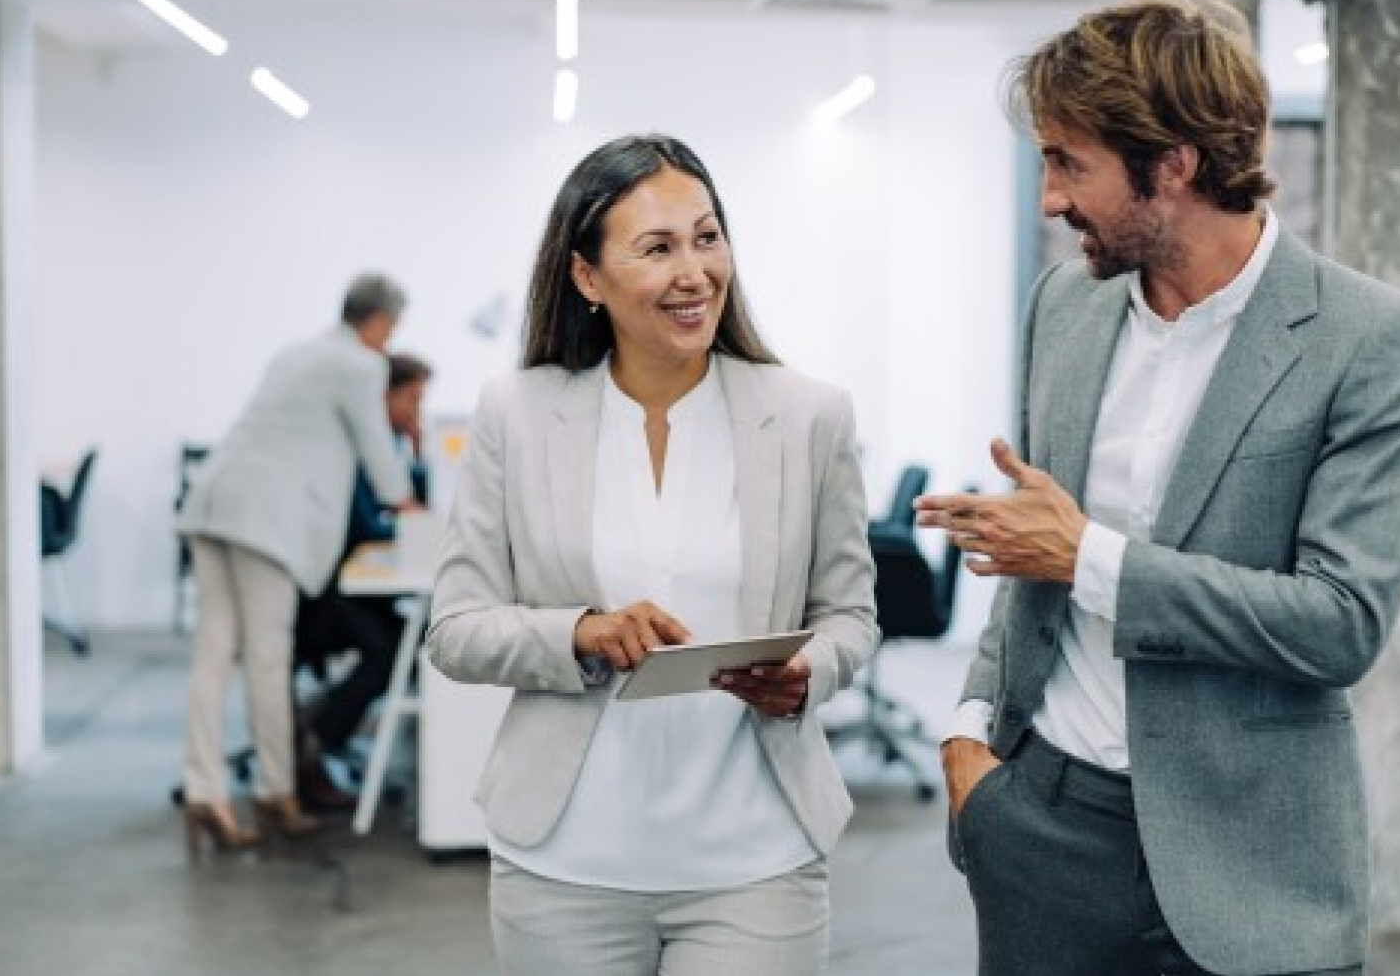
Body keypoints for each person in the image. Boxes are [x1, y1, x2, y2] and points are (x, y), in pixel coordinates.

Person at [918, 0, 1400, 976]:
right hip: (1046, 831)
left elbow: (1340, 622)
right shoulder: (1065, 306)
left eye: (1069, 162)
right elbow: (1029, 547)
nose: (1048, 198)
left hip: (1258, 866)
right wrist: (965, 739)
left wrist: (1091, 559)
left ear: (1173, 165)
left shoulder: (1368, 340)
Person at [426, 134, 877, 976]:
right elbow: (455, 629)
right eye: (658, 248)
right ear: (587, 277)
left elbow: (849, 617)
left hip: (756, 860)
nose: (693, 272)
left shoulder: (810, 415)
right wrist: (581, 633)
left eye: (708, 238)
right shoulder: (516, 414)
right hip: (563, 864)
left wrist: (807, 673)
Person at [177, 273, 420, 855]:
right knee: (267, 657)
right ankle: (275, 791)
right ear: (381, 323)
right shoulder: (359, 366)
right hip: (266, 520)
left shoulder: (297, 352)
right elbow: (377, 452)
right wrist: (412, 505)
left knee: (214, 652)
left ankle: (204, 791)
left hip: (212, 500)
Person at [294, 352, 434, 812]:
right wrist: (413, 526)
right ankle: (315, 740)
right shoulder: (355, 450)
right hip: (321, 592)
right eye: (412, 399)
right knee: (391, 646)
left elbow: (404, 499)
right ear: (384, 397)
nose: (418, 411)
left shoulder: (385, 447)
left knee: (405, 637)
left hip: (340, 584)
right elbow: (365, 528)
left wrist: (417, 453)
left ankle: (327, 723)